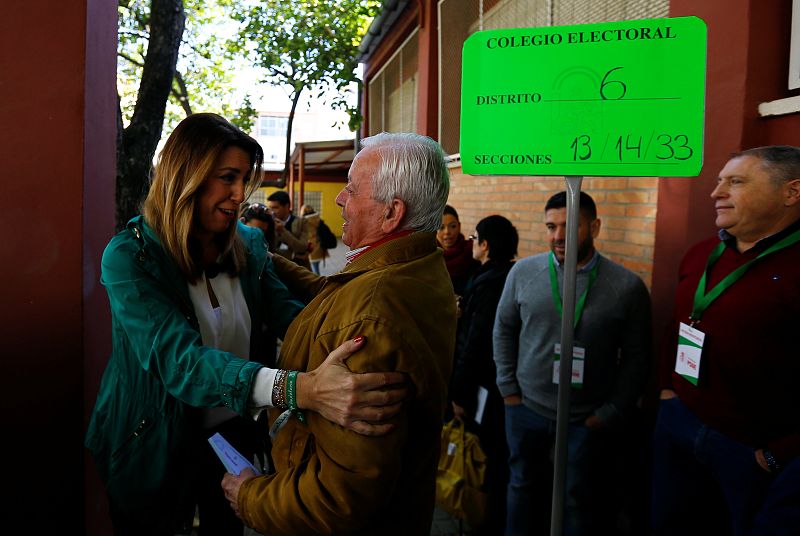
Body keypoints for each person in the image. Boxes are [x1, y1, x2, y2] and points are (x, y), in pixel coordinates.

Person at [84, 113, 408, 536]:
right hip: (150, 441)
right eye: (227, 178)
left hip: (232, 436)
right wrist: (300, 389)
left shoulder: (249, 246)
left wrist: (352, 358)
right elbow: (182, 363)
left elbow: (294, 319)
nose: (240, 195)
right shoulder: (130, 257)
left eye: (244, 179)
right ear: (186, 176)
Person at [221, 132, 457, 535]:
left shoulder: (371, 319)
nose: (339, 199)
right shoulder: (411, 268)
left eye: (352, 188)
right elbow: (334, 297)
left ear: (391, 213)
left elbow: (337, 501)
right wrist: (263, 254)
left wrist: (251, 497)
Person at [652, 146, 800, 535]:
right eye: (719, 181)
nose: (716, 192)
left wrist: (776, 454)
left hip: (751, 451)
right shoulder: (703, 253)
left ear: (791, 192)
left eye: (735, 182)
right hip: (679, 422)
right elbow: (677, 324)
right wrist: (667, 392)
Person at [494, 191, 652, 536]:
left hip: (586, 418)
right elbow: (504, 330)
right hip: (526, 410)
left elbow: (639, 356)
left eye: (569, 226)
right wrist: (508, 391)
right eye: (551, 226)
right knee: (522, 488)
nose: (557, 236)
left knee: (578, 500)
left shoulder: (626, 287)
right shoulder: (523, 273)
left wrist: (611, 411)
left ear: (594, 227)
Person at [450, 214, 519, 535]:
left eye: (475, 238)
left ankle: (486, 519)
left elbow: (475, 344)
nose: (471, 243)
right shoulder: (505, 276)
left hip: (486, 388)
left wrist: (459, 394)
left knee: (487, 455)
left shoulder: (490, 283)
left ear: (486, 245)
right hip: (497, 385)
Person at [438, 204, 479, 296]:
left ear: (459, 226)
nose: (447, 232)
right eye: (441, 227)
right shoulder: (427, 256)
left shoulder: (472, 252)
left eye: (453, 226)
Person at [268, 189, 311, 269]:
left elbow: (302, 247)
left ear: (287, 206)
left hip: (299, 270)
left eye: (275, 208)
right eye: (270, 208)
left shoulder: (301, 222)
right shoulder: (268, 223)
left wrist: (283, 231)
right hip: (276, 269)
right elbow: (268, 249)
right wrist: (293, 254)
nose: (272, 211)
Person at [300, 204, 328, 274]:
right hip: (319, 245)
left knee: (314, 269)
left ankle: (318, 283)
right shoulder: (317, 218)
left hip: (310, 246)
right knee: (315, 266)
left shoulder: (304, 220)